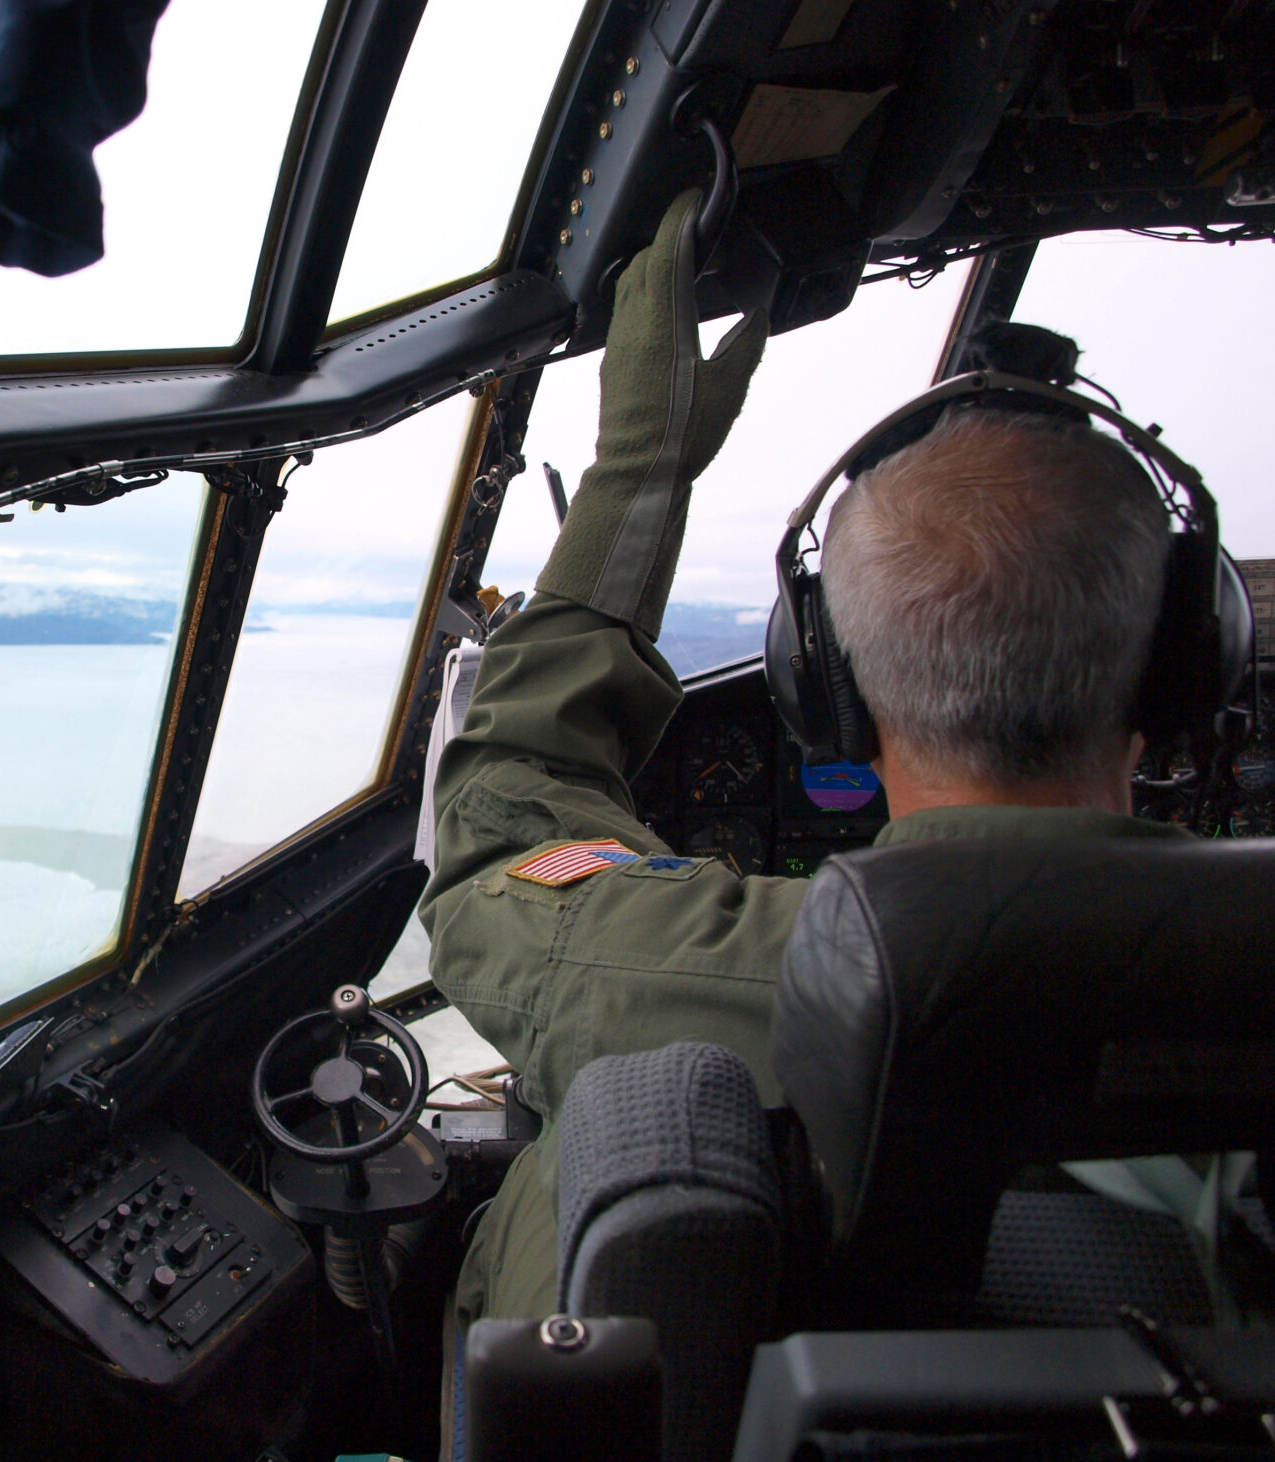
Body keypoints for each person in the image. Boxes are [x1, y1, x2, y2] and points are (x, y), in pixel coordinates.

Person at [419, 188, 1184, 1329]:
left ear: (823, 683)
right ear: (1186, 669)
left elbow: (507, 834)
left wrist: (641, 470)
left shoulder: (723, 966)